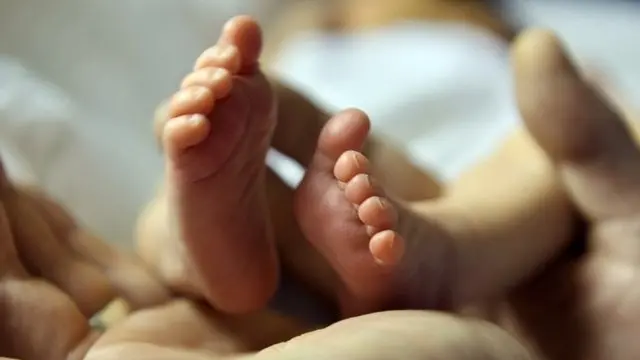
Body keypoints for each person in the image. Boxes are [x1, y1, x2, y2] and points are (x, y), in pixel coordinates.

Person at [4, 25, 640, 359]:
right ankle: (203, 246)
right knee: (174, 209)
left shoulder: (476, 41)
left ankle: (442, 250)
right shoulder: (306, 36)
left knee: (537, 160)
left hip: (442, 164)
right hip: (326, 182)